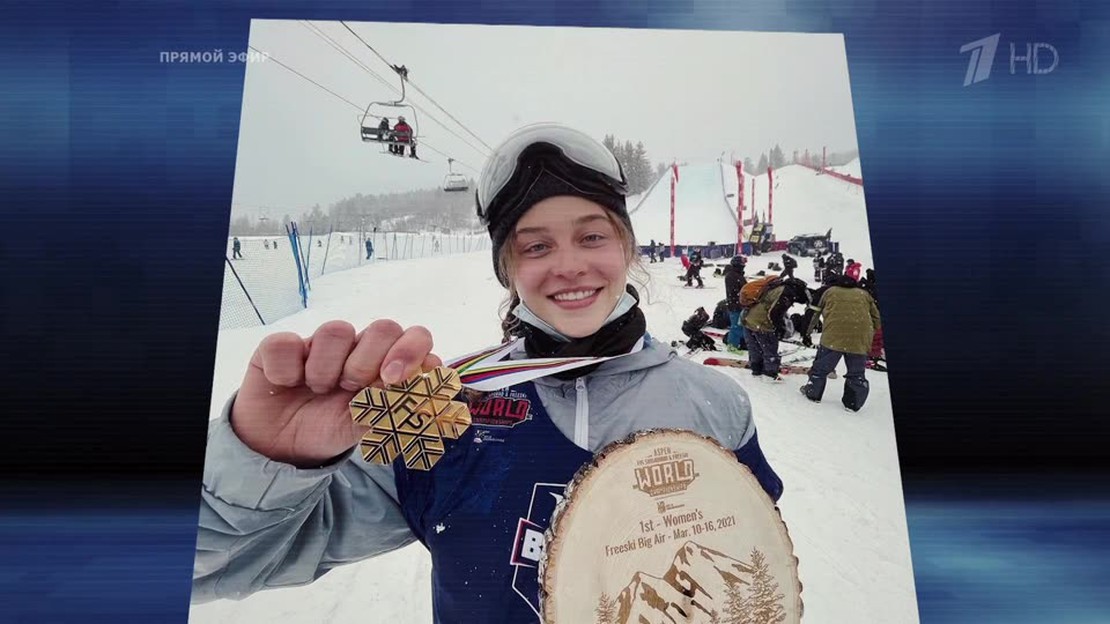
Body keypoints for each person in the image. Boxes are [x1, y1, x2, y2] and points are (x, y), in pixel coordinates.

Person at [192, 123, 783, 622]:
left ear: (626, 247)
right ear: (507, 269)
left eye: (592, 236)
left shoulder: (713, 405)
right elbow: (209, 566)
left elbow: (754, 567)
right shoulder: (443, 409)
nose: (569, 265)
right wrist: (269, 461)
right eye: (535, 247)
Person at [799, 267, 881, 411]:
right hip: (859, 338)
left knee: (820, 368)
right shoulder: (863, 294)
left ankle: (813, 393)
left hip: (833, 336)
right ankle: (853, 403)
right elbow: (876, 318)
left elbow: (814, 314)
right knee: (857, 373)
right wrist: (867, 333)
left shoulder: (829, 292)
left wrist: (806, 334)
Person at [741, 276, 810, 381]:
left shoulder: (777, 287)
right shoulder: (787, 293)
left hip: (749, 318)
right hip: (762, 322)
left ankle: (756, 368)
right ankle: (770, 373)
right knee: (770, 349)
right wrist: (779, 329)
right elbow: (775, 313)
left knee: (755, 348)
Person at [723, 255, 748, 352]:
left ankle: (741, 343)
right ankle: (732, 346)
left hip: (741, 304)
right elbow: (734, 291)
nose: (744, 266)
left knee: (741, 326)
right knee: (736, 327)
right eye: (742, 263)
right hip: (735, 305)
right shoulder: (731, 276)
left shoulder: (739, 275)